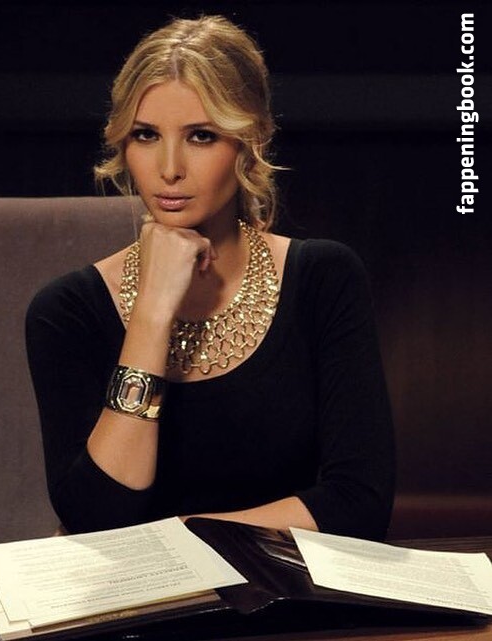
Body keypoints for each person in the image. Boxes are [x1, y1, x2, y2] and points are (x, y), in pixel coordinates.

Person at [25, 14, 395, 541]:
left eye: (201, 136)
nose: (169, 168)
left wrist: (188, 535)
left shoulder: (323, 279)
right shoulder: (66, 311)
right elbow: (97, 520)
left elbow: (359, 503)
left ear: (250, 140)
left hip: (288, 588)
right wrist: (152, 311)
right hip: (137, 594)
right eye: (146, 135)